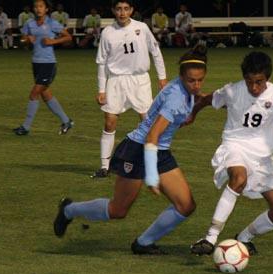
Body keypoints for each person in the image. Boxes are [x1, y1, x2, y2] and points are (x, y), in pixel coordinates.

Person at [53, 45, 209, 255]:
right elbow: (152, 137)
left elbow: (197, 100)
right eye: (191, 80)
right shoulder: (175, 98)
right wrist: (152, 177)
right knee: (118, 210)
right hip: (137, 151)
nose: (196, 85)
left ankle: (143, 243)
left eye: (200, 80)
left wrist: (207, 104)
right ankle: (69, 210)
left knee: (186, 205)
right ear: (181, 76)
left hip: (158, 152)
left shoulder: (187, 92)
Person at [189, 51, 273, 256]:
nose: (254, 87)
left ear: (267, 78)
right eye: (249, 81)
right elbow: (207, 100)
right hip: (235, 146)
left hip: (263, 158)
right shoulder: (233, 90)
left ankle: (243, 238)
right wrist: (193, 114)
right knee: (239, 178)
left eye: (259, 82)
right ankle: (210, 238)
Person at [91, 0, 167, 178]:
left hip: (139, 80)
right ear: (113, 10)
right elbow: (101, 63)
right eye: (118, 9)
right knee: (109, 122)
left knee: (147, 122)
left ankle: (150, 164)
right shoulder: (108, 33)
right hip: (116, 81)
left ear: (132, 10)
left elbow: (155, 52)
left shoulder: (142, 28)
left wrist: (162, 77)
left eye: (126, 9)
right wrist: (101, 89)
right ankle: (104, 166)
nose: (122, 13)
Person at [13, 0, 73, 136]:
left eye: (41, 6)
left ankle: (25, 127)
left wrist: (53, 41)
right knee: (46, 95)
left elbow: (68, 37)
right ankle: (66, 121)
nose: (38, 9)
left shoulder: (52, 23)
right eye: (36, 6)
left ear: (46, 9)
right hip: (36, 63)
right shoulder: (29, 23)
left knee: (34, 93)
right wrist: (27, 40)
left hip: (48, 63)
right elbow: (22, 41)